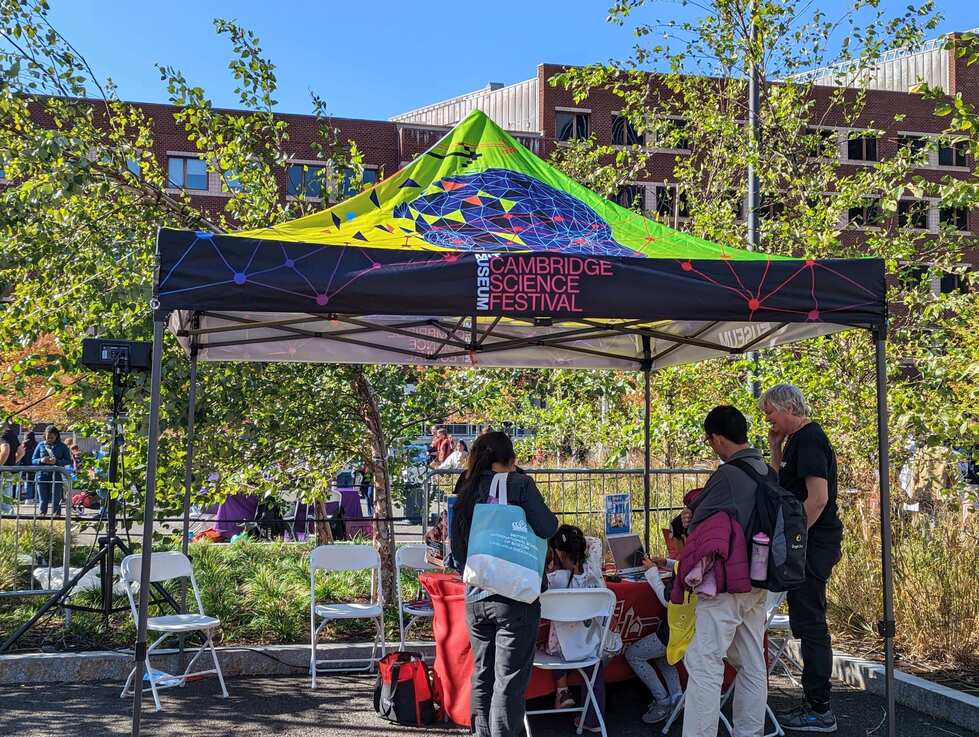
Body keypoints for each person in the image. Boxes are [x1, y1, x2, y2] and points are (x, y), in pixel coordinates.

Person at [450, 431, 558, 737]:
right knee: (508, 684)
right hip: (515, 596)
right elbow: (547, 526)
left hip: (475, 594)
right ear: (510, 458)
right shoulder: (520, 485)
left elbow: (457, 546)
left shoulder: (465, 486)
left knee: (482, 676)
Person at [679, 406, 769, 737]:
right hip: (758, 583)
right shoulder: (765, 469)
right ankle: (750, 732)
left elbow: (700, 529)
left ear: (717, 439)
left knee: (704, 664)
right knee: (752, 663)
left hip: (726, 585)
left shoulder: (727, 475)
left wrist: (690, 521)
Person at [762, 384, 841, 733]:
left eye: (770, 412)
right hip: (810, 542)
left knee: (810, 622)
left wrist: (796, 540)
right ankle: (815, 703)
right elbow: (782, 485)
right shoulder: (796, 440)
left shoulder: (809, 438)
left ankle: (820, 708)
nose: (768, 418)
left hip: (814, 543)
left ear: (786, 407)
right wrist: (776, 448)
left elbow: (818, 498)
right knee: (804, 619)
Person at [544, 524, 606, 732]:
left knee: (555, 642)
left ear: (558, 552)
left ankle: (562, 691)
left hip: (561, 652)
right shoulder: (593, 572)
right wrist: (574, 543)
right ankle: (593, 721)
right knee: (595, 673)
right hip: (590, 646)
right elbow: (596, 542)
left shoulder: (553, 581)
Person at [625, 555, 683, 724]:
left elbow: (667, 600)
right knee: (663, 655)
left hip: (675, 631)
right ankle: (677, 697)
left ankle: (662, 701)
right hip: (687, 631)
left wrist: (651, 572)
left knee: (633, 654)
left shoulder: (688, 564)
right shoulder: (697, 558)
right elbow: (684, 563)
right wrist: (666, 563)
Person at [32, 425, 72, 516]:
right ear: (44, 436)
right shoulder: (40, 445)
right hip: (42, 475)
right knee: (43, 497)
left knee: (56, 496)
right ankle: (42, 514)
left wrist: (57, 461)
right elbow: (33, 460)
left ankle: (56, 514)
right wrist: (41, 460)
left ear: (56, 436)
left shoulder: (62, 446)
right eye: (47, 437)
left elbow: (68, 461)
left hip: (57, 475)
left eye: (52, 437)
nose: (49, 439)